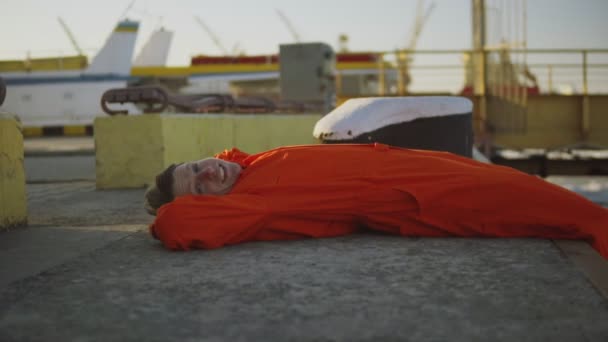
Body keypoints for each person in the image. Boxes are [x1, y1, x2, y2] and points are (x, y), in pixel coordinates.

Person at [145, 143, 608, 259]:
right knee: (575, 215)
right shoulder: (254, 200)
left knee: (541, 192)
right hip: (425, 197)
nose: (209, 172)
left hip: (421, 164)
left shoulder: (250, 162)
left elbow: (222, 160)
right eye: (201, 186)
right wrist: (163, 212)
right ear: (207, 202)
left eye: (196, 166)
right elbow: (178, 225)